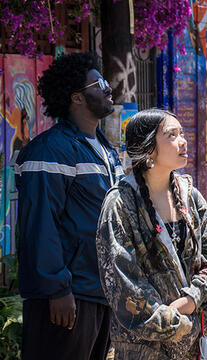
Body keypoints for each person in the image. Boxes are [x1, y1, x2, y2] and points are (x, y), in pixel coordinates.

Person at [15, 52, 124, 360]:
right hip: (67, 297)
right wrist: (57, 289)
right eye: (99, 83)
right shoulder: (50, 150)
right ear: (77, 97)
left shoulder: (105, 149)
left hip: (100, 290)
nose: (108, 88)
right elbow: (40, 225)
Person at [96, 109, 207, 360]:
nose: (183, 141)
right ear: (148, 149)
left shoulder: (189, 194)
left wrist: (193, 297)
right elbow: (124, 285)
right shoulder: (120, 204)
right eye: (171, 135)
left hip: (196, 343)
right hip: (144, 348)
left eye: (182, 133)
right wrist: (177, 322)